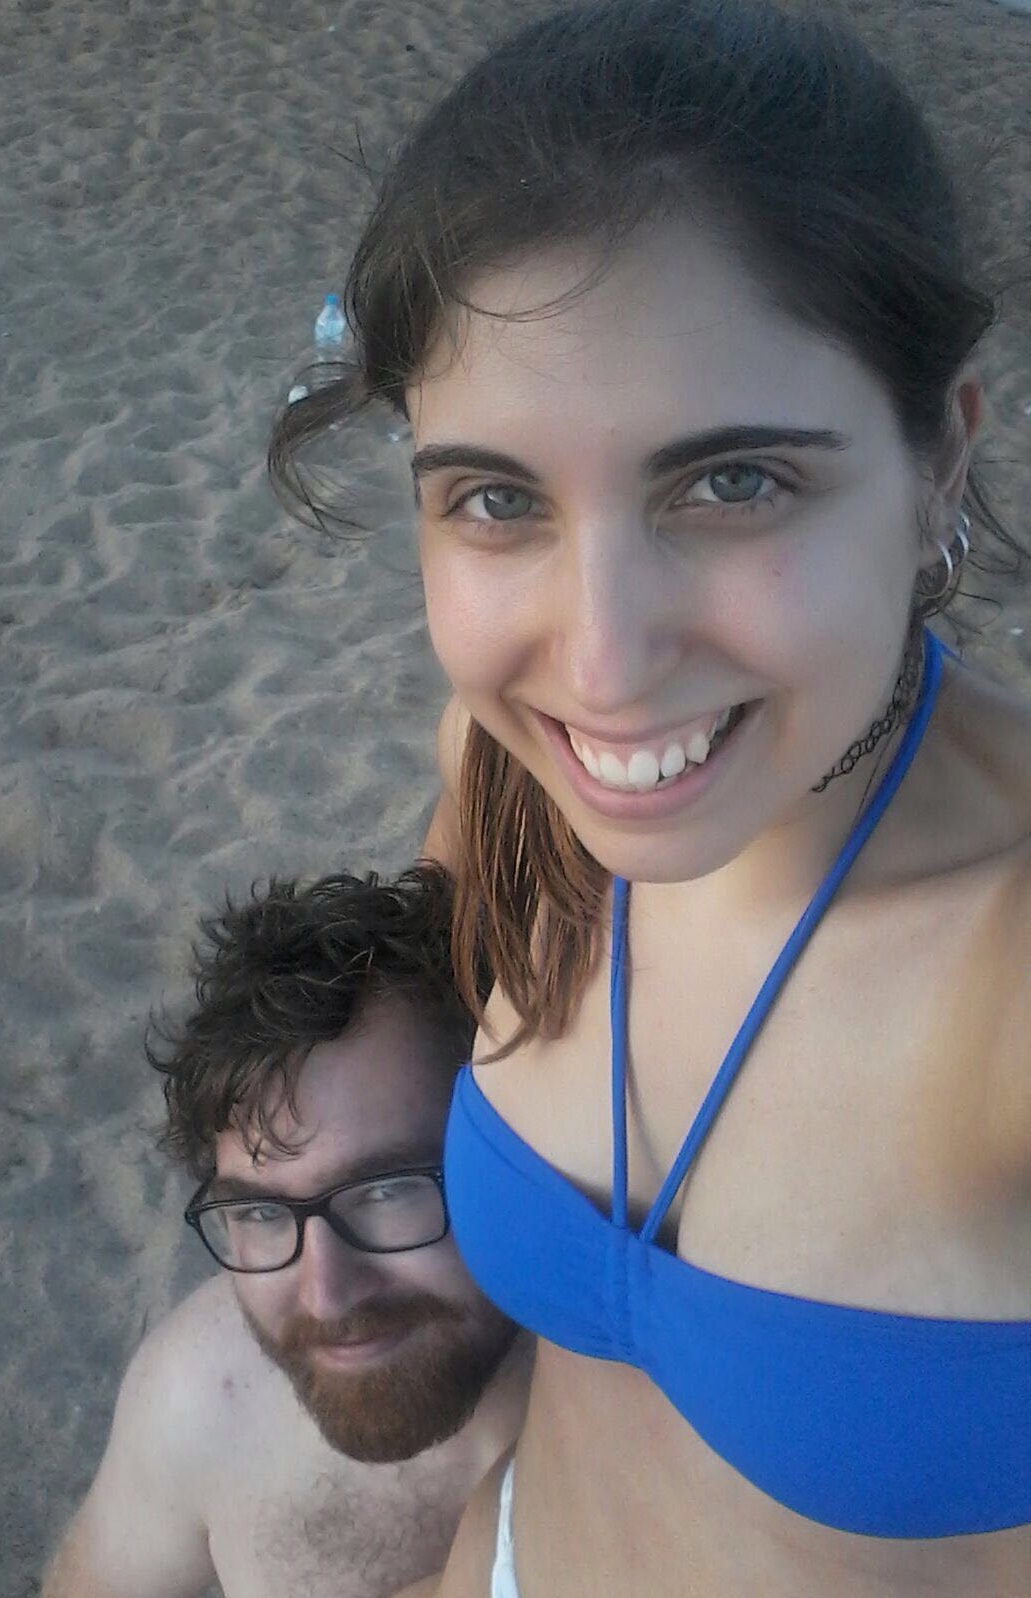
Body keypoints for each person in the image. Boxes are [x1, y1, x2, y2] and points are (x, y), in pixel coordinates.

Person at [268, 1, 1031, 1593]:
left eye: (733, 481)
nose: (602, 664)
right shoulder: (510, 779)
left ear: (939, 460)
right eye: (494, 497)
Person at [41, 866, 530, 1598]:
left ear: (512, 1162)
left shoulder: (663, 1420)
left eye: (386, 1192)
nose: (327, 1296)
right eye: (263, 1214)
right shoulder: (204, 1396)